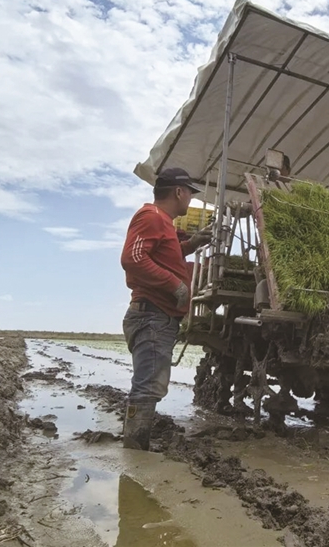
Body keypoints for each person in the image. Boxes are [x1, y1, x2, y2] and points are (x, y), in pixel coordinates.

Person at [120, 167, 211, 450]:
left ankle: (136, 447)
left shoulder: (165, 223)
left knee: (150, 386)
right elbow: (132, 258)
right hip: (152, 315)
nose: (191, 201)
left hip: (157, 316)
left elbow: (163, 254)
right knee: (148, 387)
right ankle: (135, 452)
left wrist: (191, 244)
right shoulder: (151, 216)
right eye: (190, 195)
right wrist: (176, 286)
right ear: (179, 192)